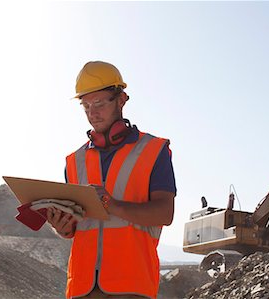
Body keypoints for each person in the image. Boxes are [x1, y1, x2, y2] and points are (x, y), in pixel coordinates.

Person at [46, 61, 176, 299]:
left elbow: (164, 213)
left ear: (121, 99)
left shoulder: (153, 150)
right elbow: (77, 227)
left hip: (131, 285)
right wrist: (62, 228)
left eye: (98, 103)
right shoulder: (74, 161)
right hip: (82, 287)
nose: (92, 113)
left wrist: (110, 203)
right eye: (85, 106)